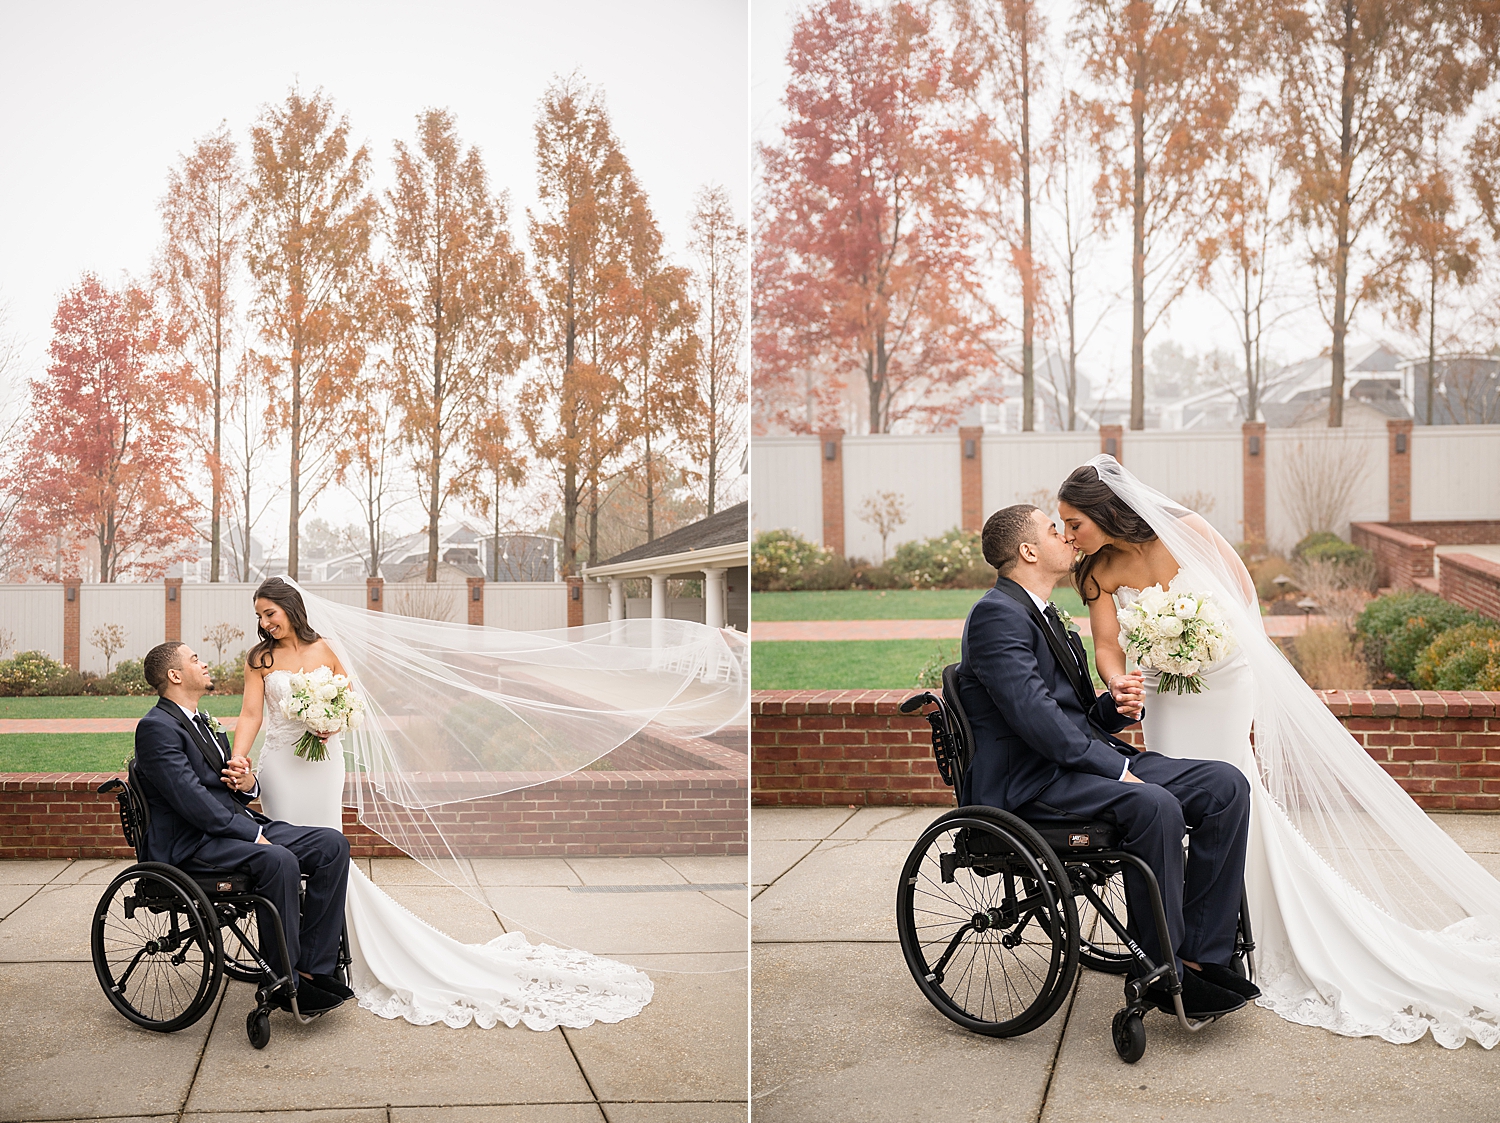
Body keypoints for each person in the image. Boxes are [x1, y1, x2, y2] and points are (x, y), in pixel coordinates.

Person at [1058, 454, 1500, 1049]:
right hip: (1164, 693)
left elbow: (1241, 601)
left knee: (1232, 787)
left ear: (1106, 511)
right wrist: (1121, 681)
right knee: (1174, 801)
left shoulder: (1185, 530)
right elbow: (1109, 644)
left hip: (1222, 680)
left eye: (1073, 523)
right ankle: (1192, 934)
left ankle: (1245, 933)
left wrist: (1204, 644)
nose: (1067, 536)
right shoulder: (1096, 572)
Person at [226, 577, 655, 1031]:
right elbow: (253, 712)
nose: (264, 623)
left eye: (269, 613)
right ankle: (293, 954)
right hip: (280, 767)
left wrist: (332, 725)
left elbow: (349, 702)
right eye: (259, 616)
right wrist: (240, 755)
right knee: (285, 854)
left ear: (291, 608)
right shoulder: (261, 659)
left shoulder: (326, 649)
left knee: (328, 848)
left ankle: (329, 952)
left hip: (321, 764)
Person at [955, 503, 1256, 1020]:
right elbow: (1034, 718)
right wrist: (1116, 769)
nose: (1066, 535)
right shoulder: (996, 615)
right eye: (1054, 529)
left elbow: (1067, 715)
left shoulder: (1045, 614)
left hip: (1077, 763)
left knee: (1225, 785)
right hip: (1034, 783)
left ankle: (1202, 958)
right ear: (1029, 551)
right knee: (1154, 805)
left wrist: (1112, 706)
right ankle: (1161, 971)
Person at [132, 640, 350, 1015]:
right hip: (192, 844)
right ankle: (284, 982)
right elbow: (191, 802)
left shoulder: (204, 723)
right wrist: (252, 835)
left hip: (229, 828)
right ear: (175, 675)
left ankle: (314, 969)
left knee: (332, 845)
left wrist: (247, 783)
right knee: (277, 860)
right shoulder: (156, 728)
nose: (203, 664)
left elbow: (224, 789)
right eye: (194, 659)